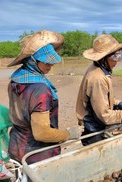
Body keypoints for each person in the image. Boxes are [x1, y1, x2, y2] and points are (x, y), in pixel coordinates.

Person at [7, 30, 84, 164]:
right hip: (37, 154)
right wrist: (68, 134)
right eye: (46, 62)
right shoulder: (40, 89)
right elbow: (42, 133)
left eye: (52, 61)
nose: (51, 65)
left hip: (16, 146)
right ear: (32, 60)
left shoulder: (16, 79)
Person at [76, 34, 122, 146]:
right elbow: (104, 116)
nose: (116, 62)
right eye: (114, 59)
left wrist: (120, 104)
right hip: (94, 129)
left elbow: (102, 97)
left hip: (95, 123)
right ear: (103, 58)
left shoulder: (97, 68)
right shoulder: (98, 79)